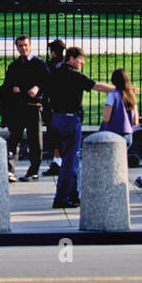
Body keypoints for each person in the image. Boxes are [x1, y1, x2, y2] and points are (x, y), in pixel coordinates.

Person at [47, 47, 115, 209]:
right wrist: (120, 88)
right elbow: (96, 86)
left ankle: (72, 195)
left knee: (70, 158)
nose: (82, 62)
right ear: (71, 58)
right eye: (80, 59)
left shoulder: (55, 72)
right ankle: (63, 197)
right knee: (71, 161)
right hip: (70, 119)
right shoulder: (73, 75)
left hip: (56, 118)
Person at [2, 35, 47, 181]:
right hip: (17, 106)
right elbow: (7, 83)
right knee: (14, 138)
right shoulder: (14, 65)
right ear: (16, 47)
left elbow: (47, 80)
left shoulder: (38, 63)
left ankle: (33, 170)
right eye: (20, 46)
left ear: (30, 46)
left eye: (26, 45)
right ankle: (10, 170)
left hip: (33, 106)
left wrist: (37, 87)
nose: (23, 48)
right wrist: (13, 87)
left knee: (35, 140)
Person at [42, 38, 67, 176]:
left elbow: (46, 84)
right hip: (66, 105)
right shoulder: (66, 65)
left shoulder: (50, 66)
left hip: (51, 105)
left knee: (53, 134)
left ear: (53, 52)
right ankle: (61, 161)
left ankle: (57, 161)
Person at [100, 67, 140, 153]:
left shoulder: (112, 95)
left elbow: (106, 118)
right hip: (128, 133)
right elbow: (135, 121)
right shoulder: (131, 96)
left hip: (113, 133)